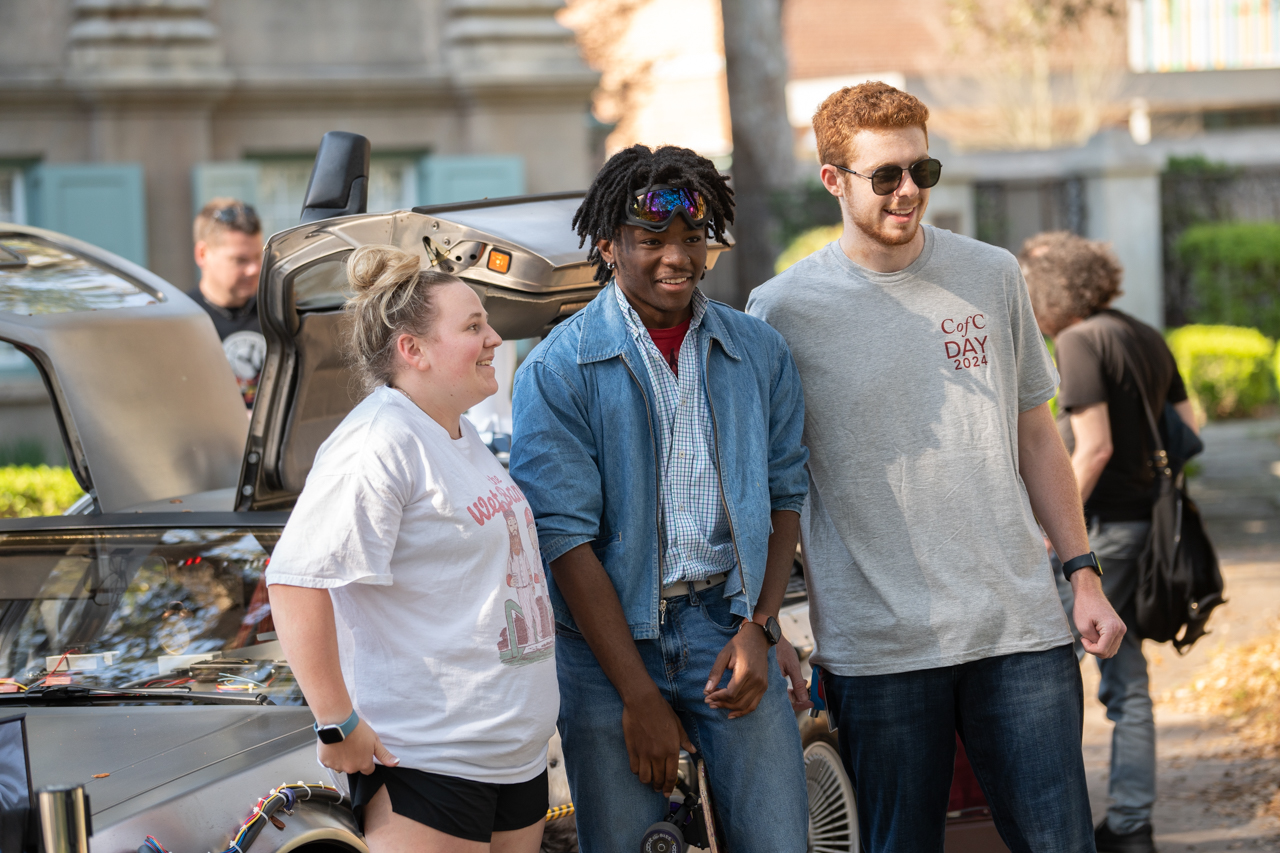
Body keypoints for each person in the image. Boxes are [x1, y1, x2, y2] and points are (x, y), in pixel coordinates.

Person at [747, 81, 1126, 853]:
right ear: (834, 181)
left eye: (922, 170)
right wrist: (763, 622)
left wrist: (1083, 572)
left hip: (1018, 627)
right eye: (885, 175)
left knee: (1062, 843)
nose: (908, 191)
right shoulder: (782, 310)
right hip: (878, 645)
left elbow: (1036, 434)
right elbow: (768, 480)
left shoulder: (990, 275)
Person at [508, 144, 812, 852]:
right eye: (652, 240)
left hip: (725, 626)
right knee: (627, 844)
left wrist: (760, 625)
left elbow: (785, 491)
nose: (677, 256)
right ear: (610, 246)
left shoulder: (759, 351)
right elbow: (564, 540)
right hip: (604, 648)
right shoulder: (559, 368)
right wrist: (637, 695)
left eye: (692, 238)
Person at [266, 244, 557, 853]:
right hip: (429, 763)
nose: (496, 339)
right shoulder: (378, 441)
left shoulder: (457, 432)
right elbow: (296, 580)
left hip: (513, 758)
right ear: (412, 350)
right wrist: (336, 720)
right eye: (474, 326)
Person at [1021, 231, 1196, 853]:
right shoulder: (1140, 332)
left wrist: (1054, 528)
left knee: (1042, 681)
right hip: (1149, 524)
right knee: (1128, 681)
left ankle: (1068, 826)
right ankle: (1131, 825)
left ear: (1054, 291)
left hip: (1104, 534)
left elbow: (1093, 445)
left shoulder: (1079, 339)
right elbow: (1189, 422)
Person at [191, 198, 265, 407]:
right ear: (203, 254)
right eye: (240, 260)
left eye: (258, 257)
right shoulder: (182, 321)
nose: (254, 269)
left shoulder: (279, 312)